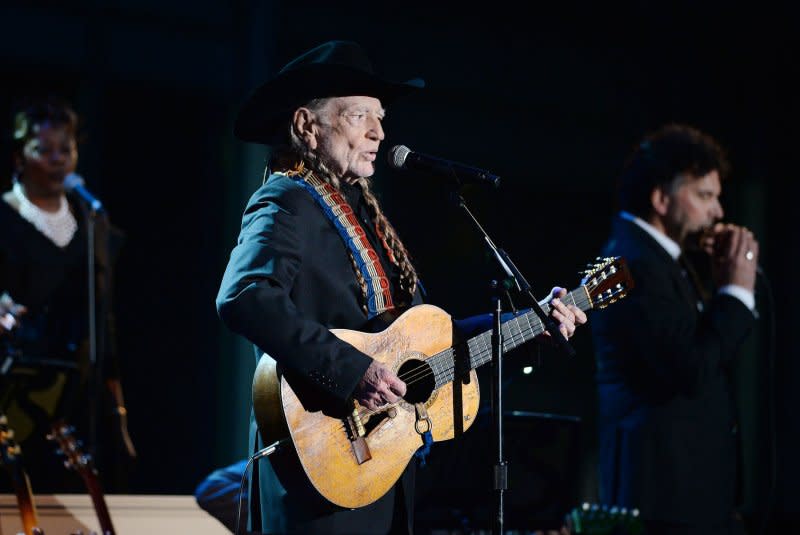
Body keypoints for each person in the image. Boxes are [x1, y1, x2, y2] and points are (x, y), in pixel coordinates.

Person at [215, 40, 587, 535]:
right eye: (359, 116)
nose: (379, 131)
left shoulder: (367, 218)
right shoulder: (286, 199)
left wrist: (531, 322)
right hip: (320, 470)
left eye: (381, 117)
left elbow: (429, 343)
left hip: (381, 471)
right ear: (307, 126)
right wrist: (354, 372)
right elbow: (244, 296)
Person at [590, 123, 759, 535]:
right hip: (663, 500)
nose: (718, 212)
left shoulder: (661, 260)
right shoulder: (633, 264)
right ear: (661, 199)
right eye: (705, 196)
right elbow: (691, 366)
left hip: (683, 497)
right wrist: (736, 292)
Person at [0, 98, 132, 493]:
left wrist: (118, 414)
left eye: (66, 149)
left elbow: (103, 319)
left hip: (76, 393)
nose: (58, 160)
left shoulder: (92, 223)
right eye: (44, 150)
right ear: (20, 157)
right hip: (17, 388)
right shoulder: (5, 218)